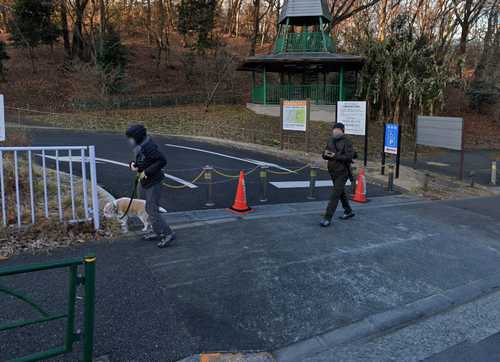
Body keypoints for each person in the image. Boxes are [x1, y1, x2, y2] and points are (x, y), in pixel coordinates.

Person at [126, 124, 175, 248]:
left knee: (152, 209)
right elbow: (140, 161)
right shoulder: (140, 146)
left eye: (131, 137)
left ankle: (168, 233)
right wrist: (132, 165)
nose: (129, 140)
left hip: (154, 182)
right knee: (148, 208)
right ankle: (157, 231)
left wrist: (146, 172)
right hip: (146, 182)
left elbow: (162, 160)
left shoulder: (149, 146)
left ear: (137, 136)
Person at [320, 122, 355, 227]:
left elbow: (349, 157)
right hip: (332, 171)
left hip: (343, 172)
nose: (336, 131)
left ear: (342, 131)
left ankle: (327, 218)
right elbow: (325, 154)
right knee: (340, 192)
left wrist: (335, 156)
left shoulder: (347, 142)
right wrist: (326, 155)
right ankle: (348, 211)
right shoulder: (330, 140)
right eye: (334, 129)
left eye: (338, 129)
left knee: (335, 195)